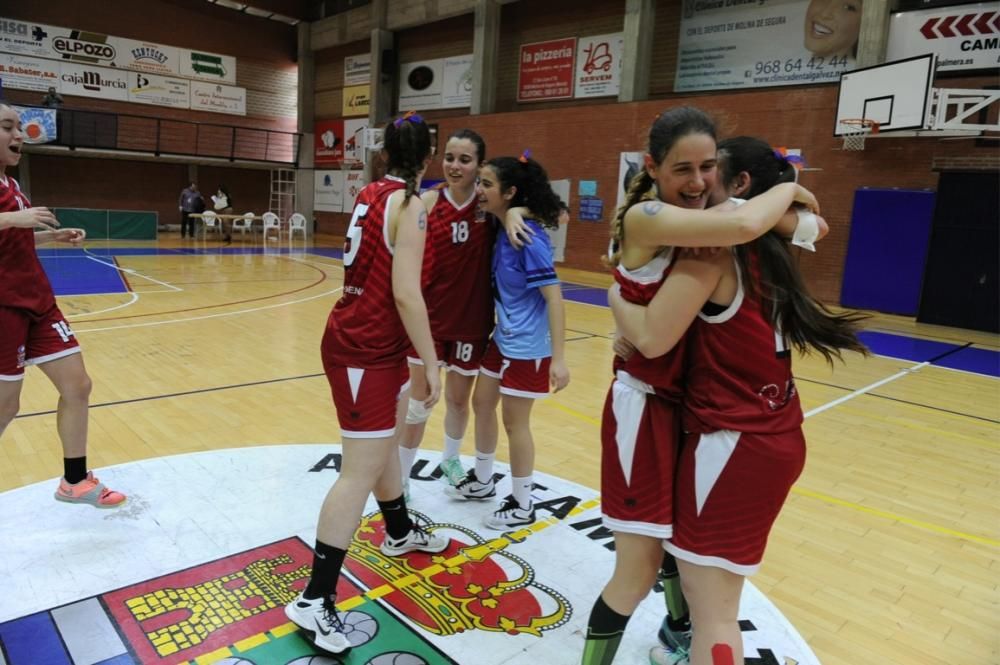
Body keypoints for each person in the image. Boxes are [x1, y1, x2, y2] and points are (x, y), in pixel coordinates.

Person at [578, 107, 823, 665]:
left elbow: (806, 224)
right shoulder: (654, 216)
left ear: (732, 179)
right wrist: (790, 192)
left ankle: (684, 633)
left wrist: (619, 303)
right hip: (650, 403)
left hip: (705, 415)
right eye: (683, 168)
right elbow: (803, 226)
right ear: (653, 167)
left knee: (685, 559)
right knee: (639, 568)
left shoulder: (724, 231)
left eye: (708, 167)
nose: (697, 181)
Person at [284, 111, 449, 655]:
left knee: (382, 453)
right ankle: (314, 599)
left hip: (369, 342)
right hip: (366, 349)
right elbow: (406, 293)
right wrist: (433, 360)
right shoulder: (412, 204)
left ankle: (399, 532)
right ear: (427, 156)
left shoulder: (373, 193)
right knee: (357, 472)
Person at [0, 101, 126, 509]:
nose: (19, 135)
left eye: (19, 127)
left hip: (37, 301)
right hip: (4, 306)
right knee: (6, 405)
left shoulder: (10, 184)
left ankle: (75, 481)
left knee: (78, 385)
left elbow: (12, 239)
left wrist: (49, 237)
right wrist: (12, 220)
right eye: (7, 127)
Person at [448, 152, 570, 530]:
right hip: (502, 340)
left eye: (486, 184)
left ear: (510, 192)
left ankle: (522, 503)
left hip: (528, 349)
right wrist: (518, 211)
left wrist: (559, 359)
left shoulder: (527, 240)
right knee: (482, 403)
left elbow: (555, 298)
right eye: (479, 182)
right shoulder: (503, 227)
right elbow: (556, 212)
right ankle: (484, 481)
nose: (479, 190)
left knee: (516, 423)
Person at [396, 129, 496, 498]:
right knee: (419, 402)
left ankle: (450, 460)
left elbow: (539, 209)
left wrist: (516, 213)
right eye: (450, 158)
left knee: (457, 400)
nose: (455, 166)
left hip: (471, 321)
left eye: (465, 160)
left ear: (479, 165)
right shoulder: (427, 202)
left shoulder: (490, 207)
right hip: (430, 322)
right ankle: (402, 478)